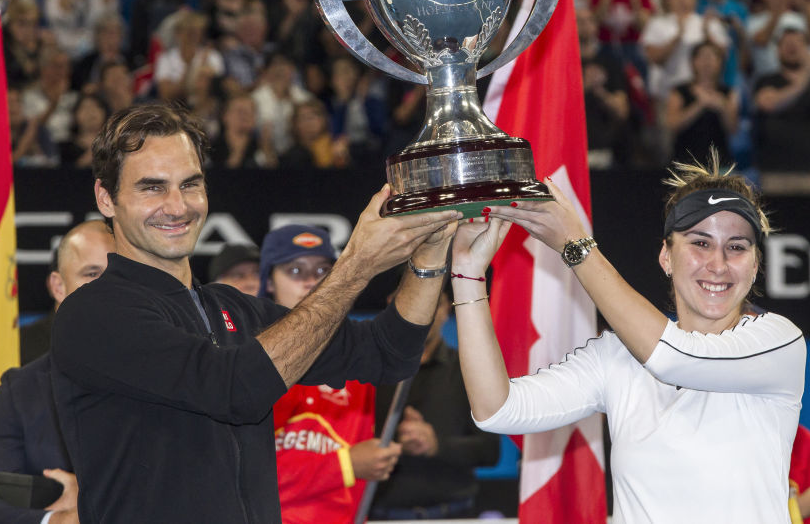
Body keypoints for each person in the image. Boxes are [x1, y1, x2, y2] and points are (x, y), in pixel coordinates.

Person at [49, 103, 460, 523]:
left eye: (190, 184)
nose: (178, 206)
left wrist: (430, 249)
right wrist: (354, 267)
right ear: (106, 198)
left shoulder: (232, 309)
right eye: (152, 188)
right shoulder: (91, 313)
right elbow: (233, 392)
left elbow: (390, 352)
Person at [452, 153, 806, 523]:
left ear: (755, 266)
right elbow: (497, 409)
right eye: (700, 243)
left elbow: (675, 359)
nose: (718, 264)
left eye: (736, 246)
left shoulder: (777, 342)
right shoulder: (616, 357)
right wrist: (467, 273)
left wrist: (576, 245)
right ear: (666, 257)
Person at [0, 220, 115, 523]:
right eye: (92, 274)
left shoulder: (170, 376)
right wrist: (59, 520)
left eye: (117, 276)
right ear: (58, 286)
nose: (106, 289)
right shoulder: (22, 391)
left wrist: (89, 502)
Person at [259, 224, 393, 523]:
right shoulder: (246, 355)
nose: (310, 282)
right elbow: (245, 477)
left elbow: (366, 464)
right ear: (269, 281)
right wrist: (345, 464)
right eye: (295, 271)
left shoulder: (355, 356)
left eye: (322, 272)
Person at [369, 289, 500, 520]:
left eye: (433, 303)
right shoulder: (367, 373)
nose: (423, 313)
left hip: (453, 514)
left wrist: (437, 445)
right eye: (412, 299)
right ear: (391, 305)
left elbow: (491, 451)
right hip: (381, 515)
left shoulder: (468, 370)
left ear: (445, 310)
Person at [753, 27, 810, 195]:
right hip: (776, 173)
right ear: (777, 50)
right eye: (786, 44)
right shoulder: (766, 79)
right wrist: (802, 83)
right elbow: (768, 103)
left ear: (807, 49)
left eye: (798, 43)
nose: (792, 48)